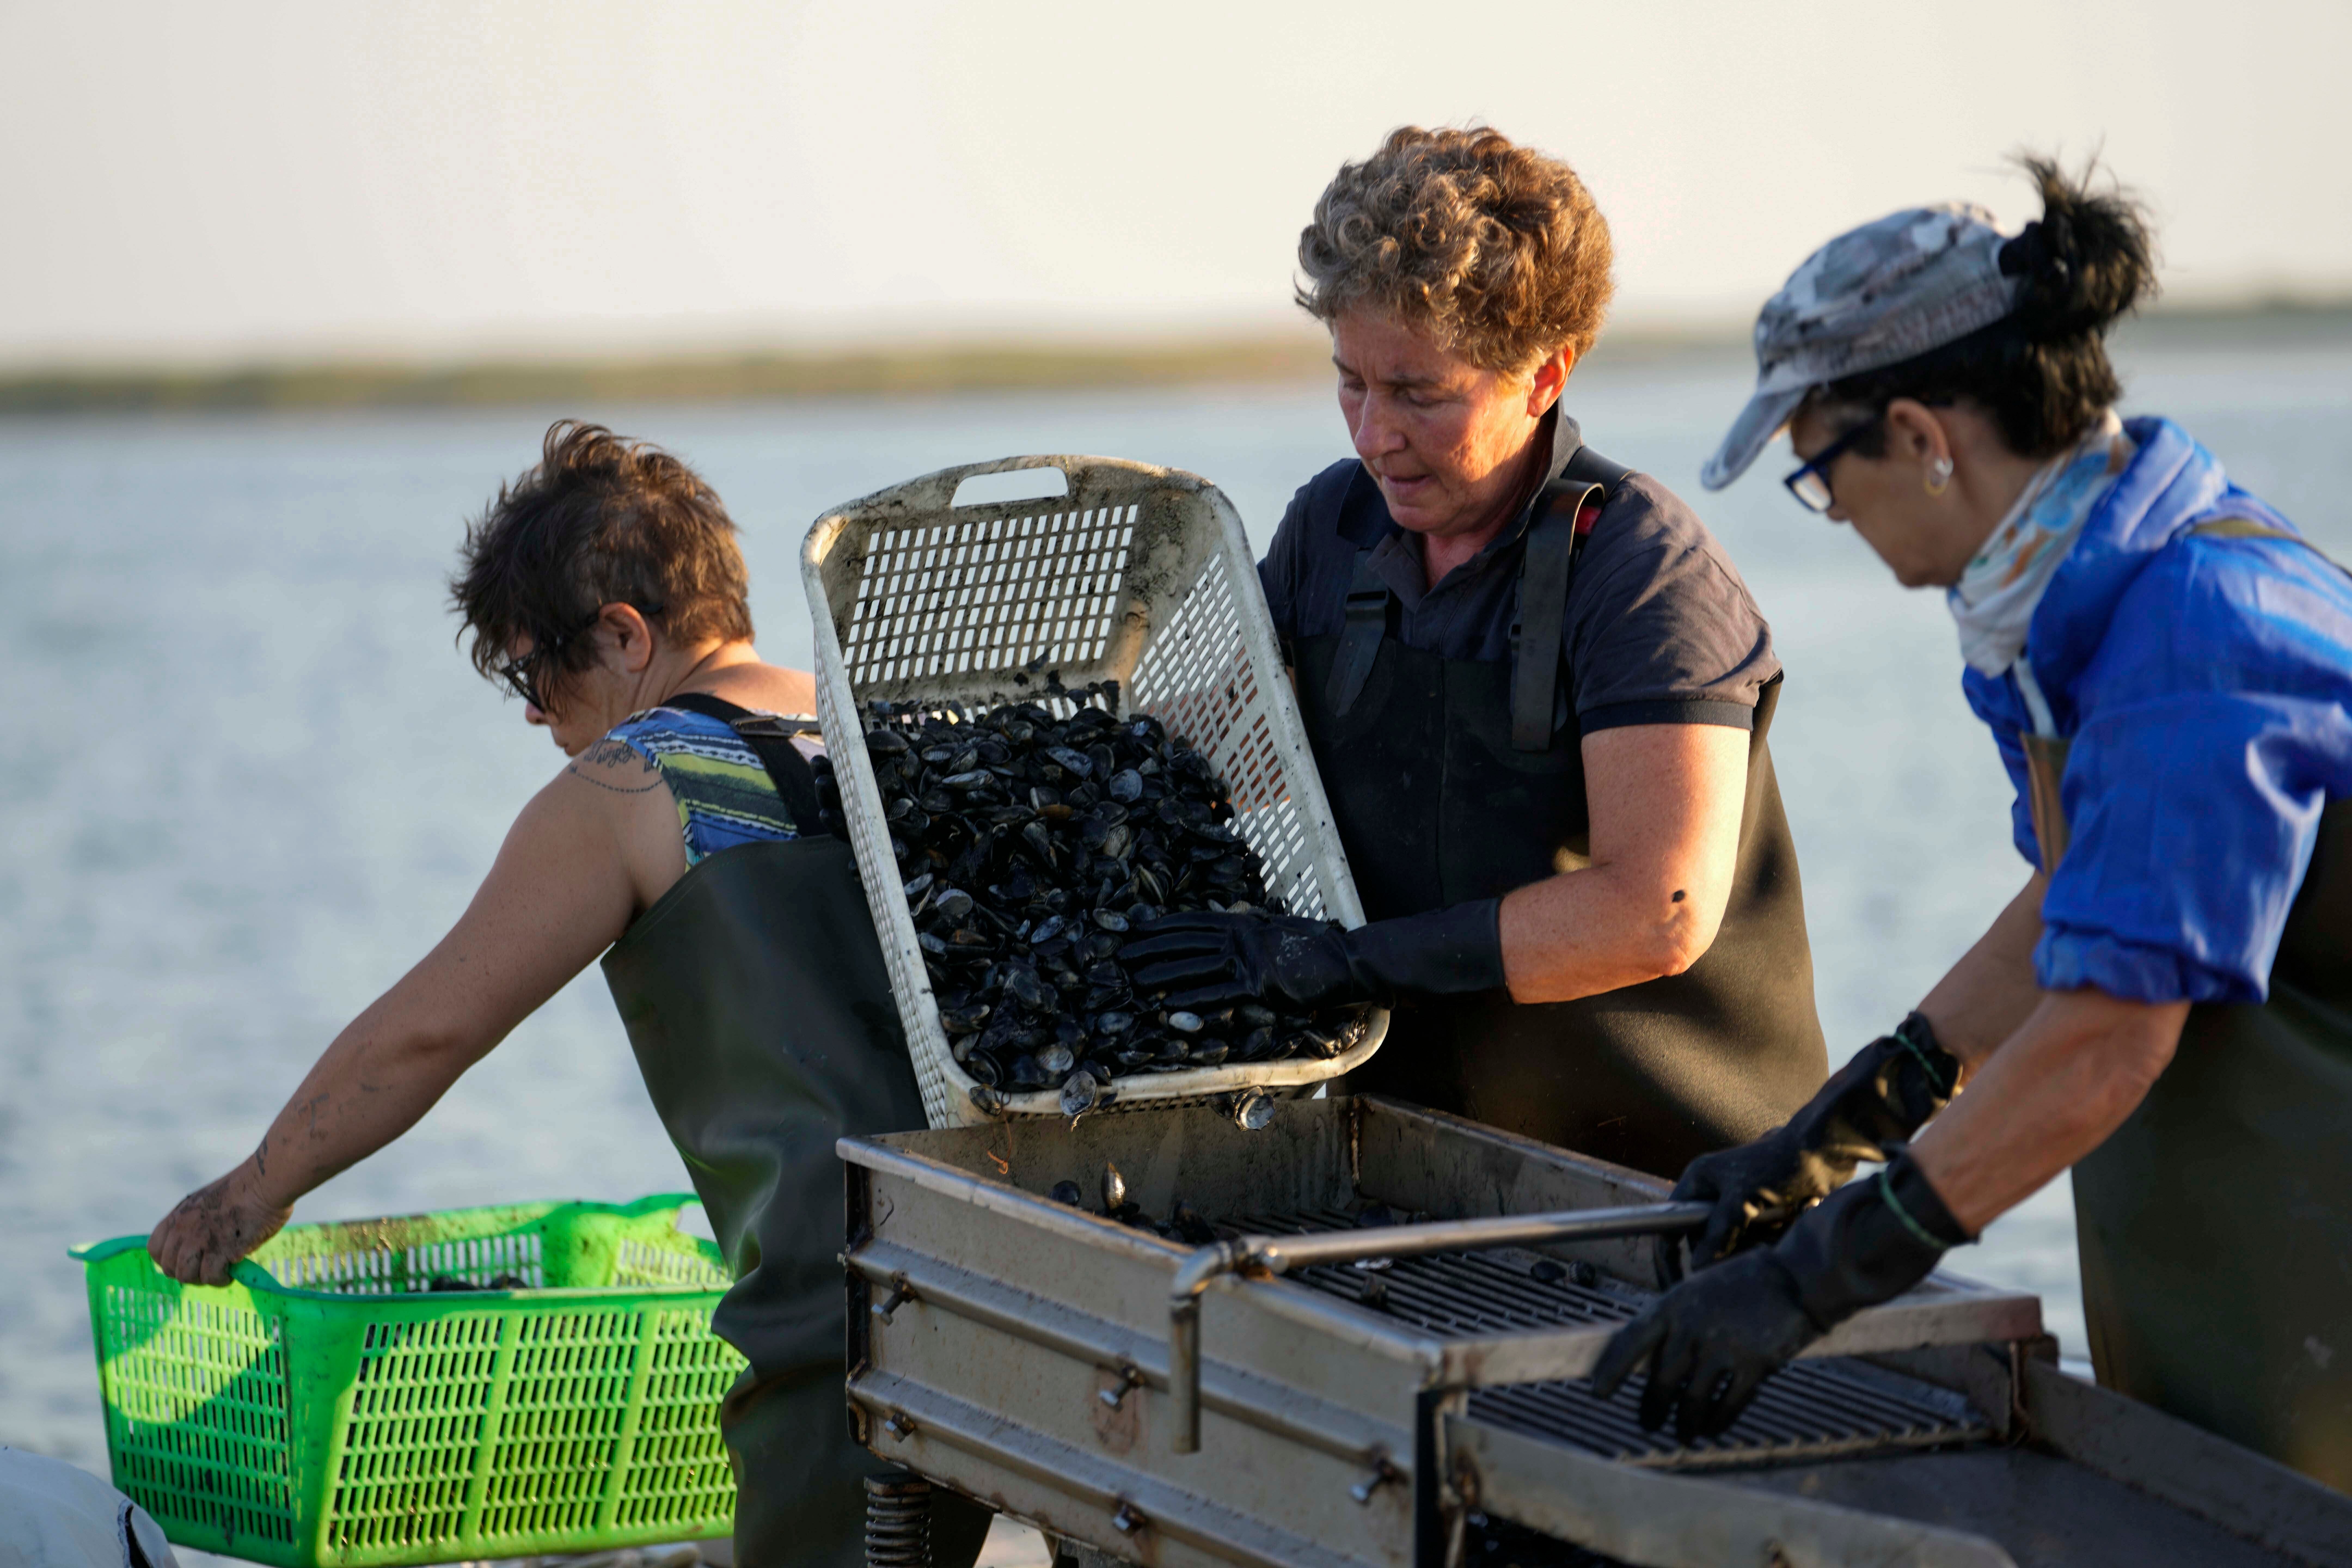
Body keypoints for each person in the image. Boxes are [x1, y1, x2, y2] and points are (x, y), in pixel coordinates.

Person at [1591, 159, 2352, 1490]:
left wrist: (1819, 1279)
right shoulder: (2064, 612)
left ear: (1922, 436)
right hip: (2243, 1258)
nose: (1833, 514)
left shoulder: (2197, 637)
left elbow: (2112, 1034)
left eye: (1823, 473)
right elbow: (2083, 900)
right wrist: (1851, 1118)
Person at [143, 423, 988, 1568]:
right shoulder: (902, 727)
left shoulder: (636, 779)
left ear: (626, 636)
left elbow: (430, 1030)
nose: (535, 714)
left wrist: (249, 1196)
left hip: (842, 1313)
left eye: (531, 671)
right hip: (1035, 1273)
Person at [1122, 126, 1827, 1178]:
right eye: (1351, 382)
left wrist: (1348, 964)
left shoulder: (1643, 575)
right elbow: (1225, 758)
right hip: (1422, 1151)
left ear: (1544, 376)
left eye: (1418, 393)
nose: (1372, 434)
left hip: (1685, 1174)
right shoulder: (1334, 528)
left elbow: (1657, 911)